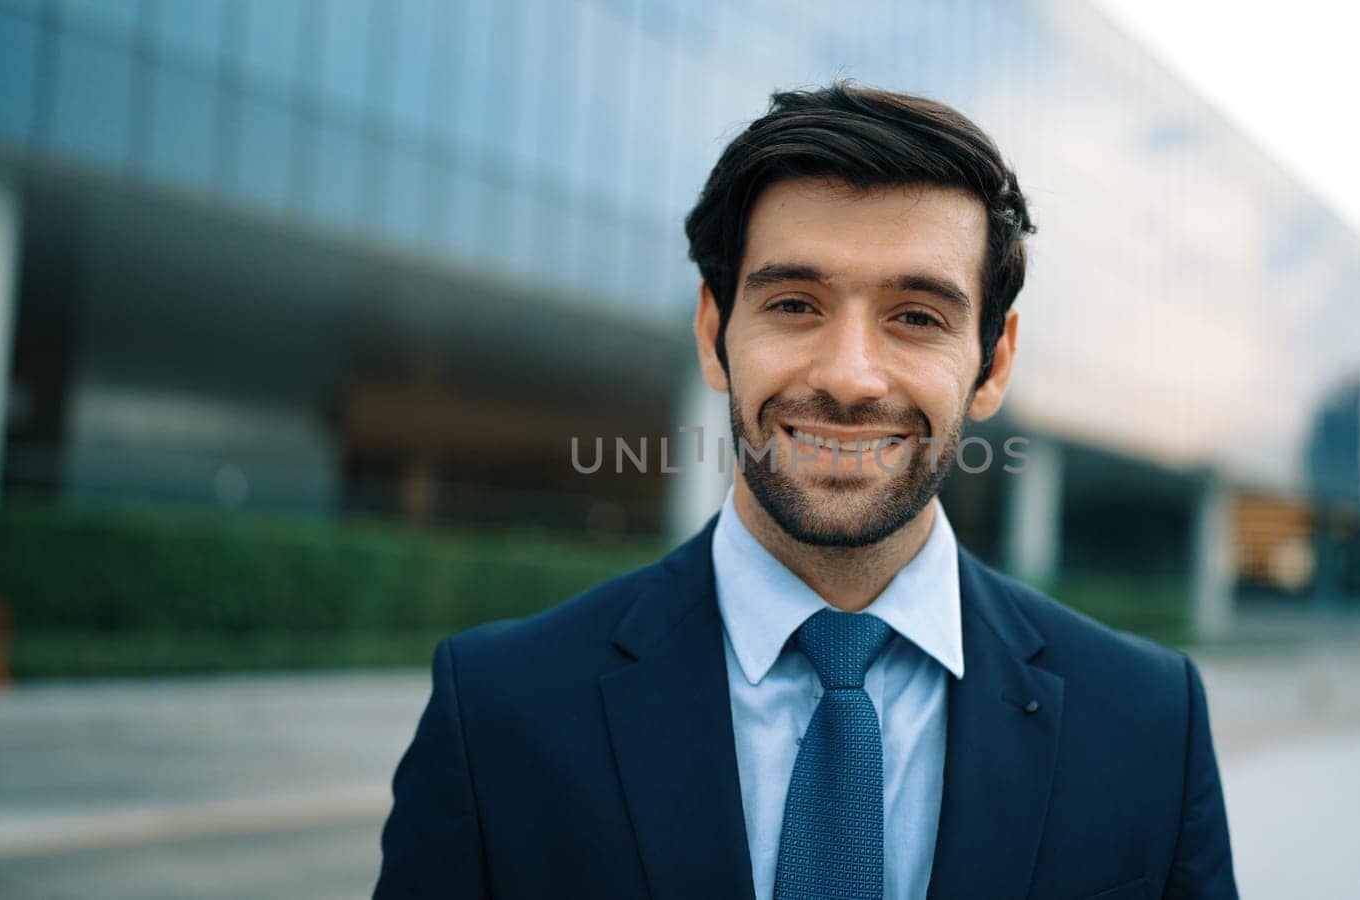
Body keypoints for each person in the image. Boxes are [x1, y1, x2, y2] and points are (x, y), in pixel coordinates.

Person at [375, 82, 1238, 900]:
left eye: (916, 317)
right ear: (716, 335)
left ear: (994, 362)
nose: (851, 377)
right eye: (794, 304)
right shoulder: (496, 712)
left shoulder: (1151, 723)